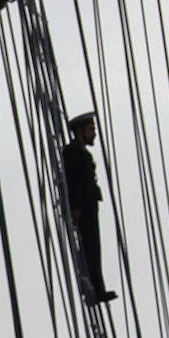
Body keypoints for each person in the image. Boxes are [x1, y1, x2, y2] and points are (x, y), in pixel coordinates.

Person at [62, 111, 117, 305]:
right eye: (91, 129)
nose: (94, 134)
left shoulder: (81, 152)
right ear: (80, 131)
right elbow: (74, 181)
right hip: (84, 208)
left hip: (89, 206)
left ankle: (97, 287)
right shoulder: (73, 152)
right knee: (89, 248)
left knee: (94, 248)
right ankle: (94, 288)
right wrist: (76, 207)